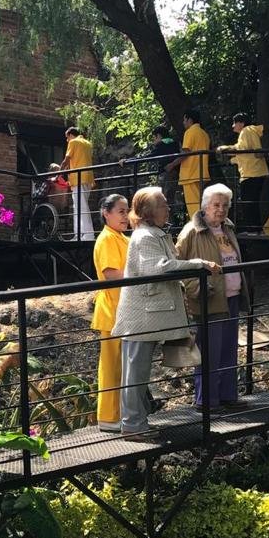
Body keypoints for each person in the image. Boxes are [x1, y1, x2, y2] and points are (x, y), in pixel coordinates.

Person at [112, 188, 220, 438]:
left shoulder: (155, 234)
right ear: (148, 211)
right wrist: (199, 264)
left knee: (138, 371)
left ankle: (136, 422)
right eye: (162, 205)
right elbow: (159, 268)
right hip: (141, 316)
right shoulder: (145, 237)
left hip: (151, 313)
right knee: (135, 372)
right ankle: (132, 425)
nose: (168, 208)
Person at [176, 184, 250, 412]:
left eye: (225, 205)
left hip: (232, 297)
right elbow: (177, 264)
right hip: (208, 299)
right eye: (216, 205)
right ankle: (207, 401)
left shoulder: (228, 228)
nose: (221, 209)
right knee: (209, 352)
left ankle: (228, 395)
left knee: (228, 349)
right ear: (205, 206)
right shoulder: (192, 231)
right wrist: (195, 286)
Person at [91, 194, 130, 431]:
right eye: (121, 211)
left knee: (121, 366)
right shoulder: (107, 239)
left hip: (123, 309)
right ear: (106, 213)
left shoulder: (121, 237)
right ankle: (108, 416)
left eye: (127, 211)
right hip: (112, 310)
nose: (126, 216)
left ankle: (120, 414)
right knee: (111, 366)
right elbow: (111, 274)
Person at [217, 114, 269, 231]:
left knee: (249, 204)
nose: (233, 126)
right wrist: (232, 159)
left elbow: (241, 149)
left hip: (251, 173)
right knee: (252, 203)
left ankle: (253, 230)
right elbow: (245, 152)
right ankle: (255, 230)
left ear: (241, 123)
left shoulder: (246, 131)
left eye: (234, 122)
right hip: (255, 172)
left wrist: (225, 149)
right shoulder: (250, 131)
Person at [165, 109, 211, 220]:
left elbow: (186, 152)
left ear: (189, 119)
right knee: (202, 205)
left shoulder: (190, 132)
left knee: (194, 207)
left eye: (184, 120)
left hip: (190, 174)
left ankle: (199, 227)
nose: (183, 122)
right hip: (202, 173)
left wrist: (172, 164)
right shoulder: (204, 134)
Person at [62, 127, 95, 241]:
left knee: (81, 207)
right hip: (88, 178)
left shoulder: (73, 142)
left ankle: (89, 235)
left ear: (71, 135)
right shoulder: (88, 144)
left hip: (78, 178)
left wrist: (59, 173)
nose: (67, 140)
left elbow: (67, 160)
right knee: (78, 207)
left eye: (67, 137)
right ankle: (78, 234)